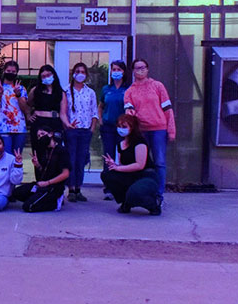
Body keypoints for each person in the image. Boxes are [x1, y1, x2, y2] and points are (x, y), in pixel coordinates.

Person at [124, 58, 176, 204]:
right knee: (142, 163)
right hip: (141, 131)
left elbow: (168, 109)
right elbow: (129, 113)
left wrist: (171, 130)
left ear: (147, 69)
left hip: (159, 129)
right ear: (133, 71)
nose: (140, 70)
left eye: (143, 67)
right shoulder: (130, 91)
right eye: (137, 68)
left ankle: (159, 194)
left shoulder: (158, 86)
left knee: (159, 162)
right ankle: (143, 192)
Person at [100, 114, 160, 215]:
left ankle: (153, 204)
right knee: (107, 174)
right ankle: (125, 202)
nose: (120, 129)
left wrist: (118, 168)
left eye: (124, 127)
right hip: (131, 175)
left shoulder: (140, 142)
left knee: (135, 194)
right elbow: (123, 164)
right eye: (119, 126)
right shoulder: (120, 144)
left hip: (146, 176)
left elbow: (139, 165)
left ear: (132, 128)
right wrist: (114, 165)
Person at [60, 62, 99, 202]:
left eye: (83, 71)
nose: (80, 74)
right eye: (78, 71)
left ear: (86, 75)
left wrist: (92, 129)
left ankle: (78, 188)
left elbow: (94, 112)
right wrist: (67, 126)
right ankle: (70, 188)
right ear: (73, 73)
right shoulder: (66, 91)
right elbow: (63, 112)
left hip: (85, 131)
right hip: (72, 131)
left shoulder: (90, 92)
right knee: (71, 159)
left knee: (81, 160)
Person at [11, 127, 70, 213]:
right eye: (38, 136)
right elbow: (45, 171)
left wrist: (47, 183)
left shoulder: (62, 151)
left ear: (50, 134)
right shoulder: (44, 150)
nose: (40, 137)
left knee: (28, 207)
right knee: (16, 193)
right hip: (41, 185)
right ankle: (41, 198)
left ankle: (55, 203)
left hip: (53, 187)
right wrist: (37, 165)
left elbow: (65, 174)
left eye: (42, 134)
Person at [99, 60, 130, 199]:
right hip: (108, 127)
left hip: (123, 128)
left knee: (124, 156)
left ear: (123, 72)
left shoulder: (128, 89)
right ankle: (109, 187)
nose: (116, 72)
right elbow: (101, 106)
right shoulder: (106, 89)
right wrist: (100, 120)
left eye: (119, 69)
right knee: (108, 156)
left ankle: (123, 185)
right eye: (114, 69)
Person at [0, 59, 30, 156]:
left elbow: (25, 108)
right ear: (4, 71)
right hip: (4, 127)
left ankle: (17, 171)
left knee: (17, 156)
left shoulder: (21, 88)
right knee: (6, 156)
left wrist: (18, 95)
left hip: (20, 128)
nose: (10, 73)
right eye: (8, 71)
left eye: (13, 72)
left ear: (16, 73)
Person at [26, 65, 64, 150]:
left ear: (53, 75)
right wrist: (28, 116)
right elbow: (28, 104)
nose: (46, 77)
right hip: (39, 122)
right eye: (43, 76)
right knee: (39, 149)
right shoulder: (35, 90)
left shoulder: (60, 92)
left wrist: (68, 124)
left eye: (48, 75)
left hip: (55, 122)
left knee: (55, 150)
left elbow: (63, 113)